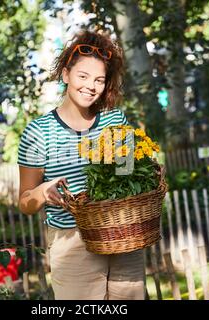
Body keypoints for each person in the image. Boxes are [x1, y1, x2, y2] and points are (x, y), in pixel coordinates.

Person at [17, 29, 145, 300]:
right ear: (66, 75)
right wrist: (42, 192)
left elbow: (128, 175)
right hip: (73, 242)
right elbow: (24, 202)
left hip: (123, 235)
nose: (91, 86)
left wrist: (144, 173)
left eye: (99, 79)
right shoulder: (39, 132)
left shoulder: (115, 120)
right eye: (83, 76)